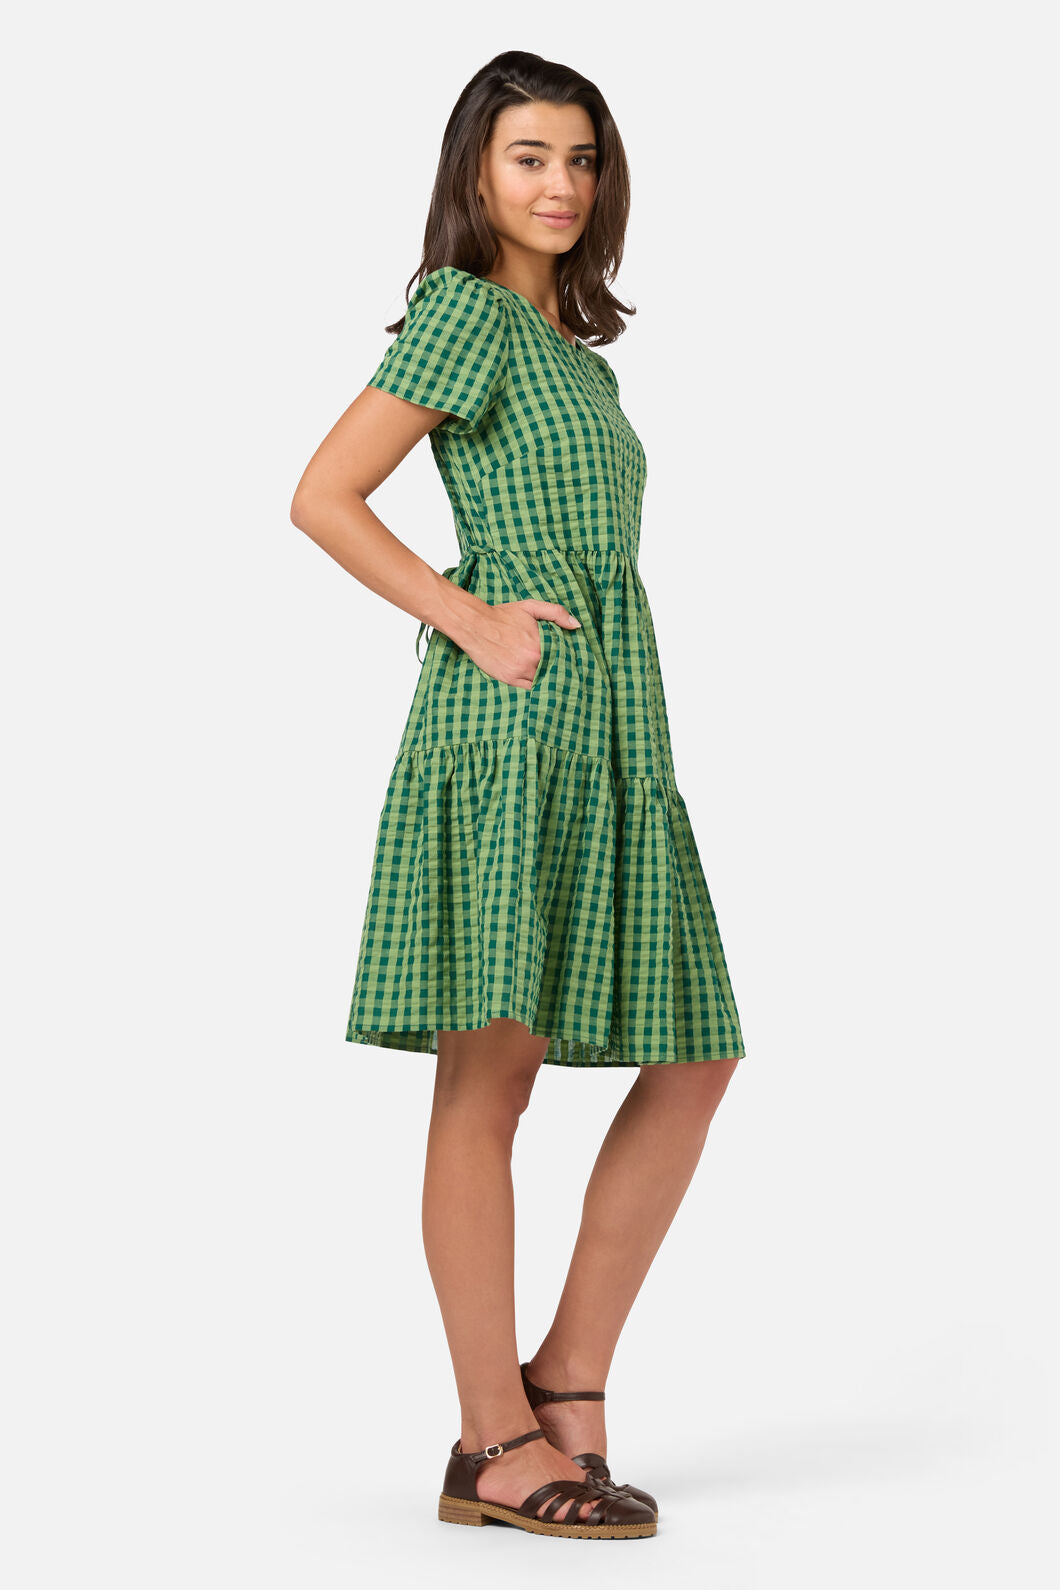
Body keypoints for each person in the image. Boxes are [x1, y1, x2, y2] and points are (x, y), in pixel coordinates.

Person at [290, 50, 746, 1542]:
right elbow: (323, 494)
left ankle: (568, 1383)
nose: (560, 185)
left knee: (695, 1055)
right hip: (513, 730)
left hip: (613, 734)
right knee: (490, 1080)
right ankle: (494, 1440)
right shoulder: (465, 311)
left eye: (582, 159)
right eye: (530, 157)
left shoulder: (577, 355)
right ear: (476, 173)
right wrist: (471, 618)